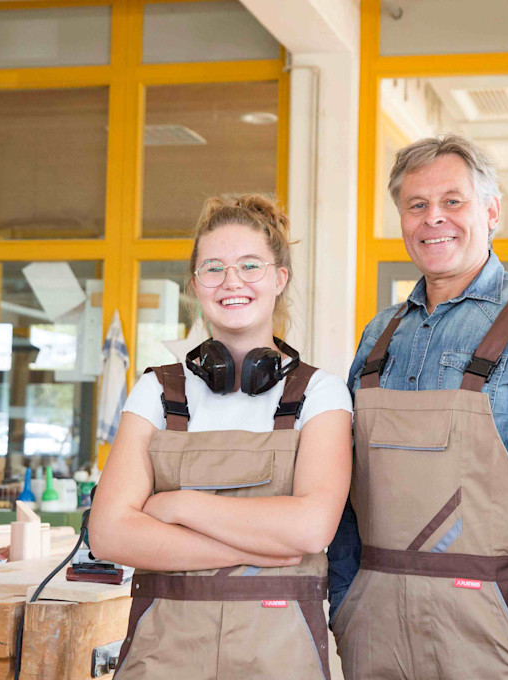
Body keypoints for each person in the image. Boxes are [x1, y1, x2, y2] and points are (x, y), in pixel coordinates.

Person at [327, 135, 508, 680]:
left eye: (452, 201)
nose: (432, 218)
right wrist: (345, 602)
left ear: (491, 212)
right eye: (416, 205)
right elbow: (347, 488)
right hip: (374, 628)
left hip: (497, 630)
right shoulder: (379, 334)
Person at [90, 195, 352, 680]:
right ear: (195, 285)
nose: (232, 282)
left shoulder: (319, 392)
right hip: (161, 656)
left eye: (250, 265)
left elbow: (311, 529)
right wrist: (260, 548)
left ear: (280, 278)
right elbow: (108, 533)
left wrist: (179, 506)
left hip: (280, 657)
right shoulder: (157, 390)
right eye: (214, 268)